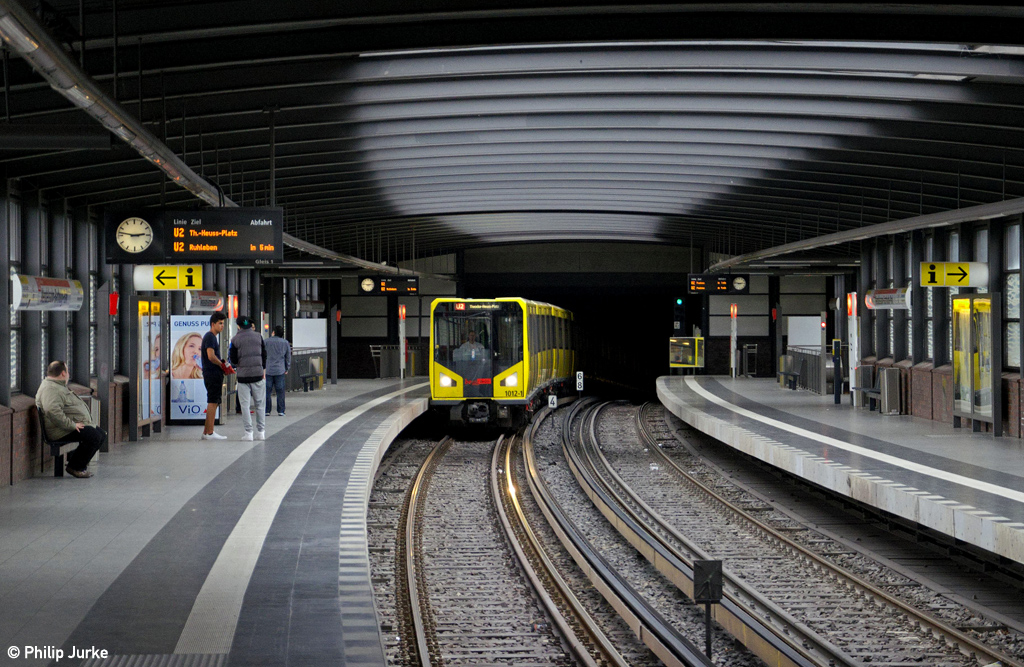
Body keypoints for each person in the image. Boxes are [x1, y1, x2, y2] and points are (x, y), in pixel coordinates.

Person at [35, 361, 106, 478]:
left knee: (100, 434)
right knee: (94, 436)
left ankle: (77, 465)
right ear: (63, 373)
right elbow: (52, 411)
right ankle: (76, 467)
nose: (68, 375)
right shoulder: (51, 389)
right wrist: (72, 425)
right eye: (68, 372)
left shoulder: (57, 386)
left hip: (65, 427)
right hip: (60, 430)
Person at [229, 315, 267, 441]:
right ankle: (261, 432)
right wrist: (262, 369)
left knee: (245, 405)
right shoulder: (259, 336)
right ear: (250, 325)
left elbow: (233, 359)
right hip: (258, 374)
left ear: (238, 326)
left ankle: (248, 433)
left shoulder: (235, 339)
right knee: (260, 404)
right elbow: (264, 355)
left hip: (243, 376)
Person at [201, 311, 231, 440]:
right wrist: (222, 365)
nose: (222, 326)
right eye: (220, 323)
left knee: (213, 401)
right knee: (213, 402)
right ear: (213, 324)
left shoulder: (211, 337)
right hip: (212, 373)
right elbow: (211, 356)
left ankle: (206, 431)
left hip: (211, 373)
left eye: (223, 323)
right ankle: (210, 432)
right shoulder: (210, 337)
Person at [265, 325, 291, 416]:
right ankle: (281, 410)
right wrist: (287, 368)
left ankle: (267, 410)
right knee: (280, 391)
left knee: (267, 391)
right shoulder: (285, 343)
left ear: (273, 332)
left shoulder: (266, 342)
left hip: (268, 369)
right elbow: (288, 357)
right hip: (280, 369)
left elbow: (262, 355)